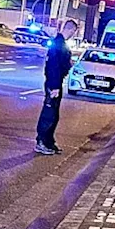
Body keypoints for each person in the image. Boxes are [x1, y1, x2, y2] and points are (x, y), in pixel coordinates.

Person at [36, 19, 79, 155]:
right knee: (49, 114)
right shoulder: (58, 44)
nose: (73, 34)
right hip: (53, 84)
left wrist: (68, 64)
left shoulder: (61, 44)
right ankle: (41, 142)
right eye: (74, 31)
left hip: (56, 83)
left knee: (54, 114)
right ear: (71, 30)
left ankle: (49, 141)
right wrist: (54, 86)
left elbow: (60, 65)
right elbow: (53, 66)